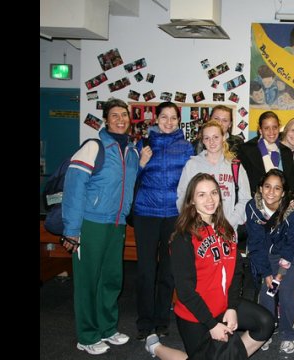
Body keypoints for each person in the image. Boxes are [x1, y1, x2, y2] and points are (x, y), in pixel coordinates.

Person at [61, 98, 139, 355]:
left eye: (124, 115)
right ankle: (87, 335)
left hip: (116, 225)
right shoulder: (93, 147)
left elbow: (127, 182)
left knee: (111, 280)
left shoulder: (131, 151)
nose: (120, 119)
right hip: (90, 223)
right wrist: (72, 229)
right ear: (106, 119)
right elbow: (73, 188)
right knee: (88, 282)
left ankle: (107, 328)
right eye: (114, 115)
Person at [167, 173, 275, 359]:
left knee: (266, 323)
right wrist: (211, 325)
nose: (210, 199)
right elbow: (185, 291)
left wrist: (231, 307)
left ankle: (229, 355)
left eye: (214, 193)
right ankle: (156, 348)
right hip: (196, 315)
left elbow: (236, 271)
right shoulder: (183, 237)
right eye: (201, 195)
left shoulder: (225, 229)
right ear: (191, 200)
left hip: (223, 305)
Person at [132, 101, 194, 341]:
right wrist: (140, 164)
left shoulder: (187, 147)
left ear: (178, 121)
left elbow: (191, 182)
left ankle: (161, 321)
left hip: (173, 215)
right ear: (156, 119)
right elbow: (128, 179)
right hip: (145, 213)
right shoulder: (143, 145)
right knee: (146, 271)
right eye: (164, 117)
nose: (168, 122)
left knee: (168, 271)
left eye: (173, 118)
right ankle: (144, 322)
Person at [245, 169, 294, 355]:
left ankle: (289, 334)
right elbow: (255, 244)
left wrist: (281, 272)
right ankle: (265, 331)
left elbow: (293, 242)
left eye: (277, 188)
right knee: (266, 294)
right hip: (265, 256)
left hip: (289, 255)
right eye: (267, 187)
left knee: (287, 292)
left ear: (284, 192)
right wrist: (267, 274)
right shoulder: (253, 208)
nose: (271, 192)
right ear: (260, 189)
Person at [177, 120, 251, 232]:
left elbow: (245, 199)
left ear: (224, 137)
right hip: (198, 230)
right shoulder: (192, 165)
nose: (211, 142)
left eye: (216, 137)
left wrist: (230, 222)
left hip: (227, 229)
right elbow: (183, 197)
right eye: (207, 138)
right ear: (202, 141)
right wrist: (194, 222)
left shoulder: (235, 166)